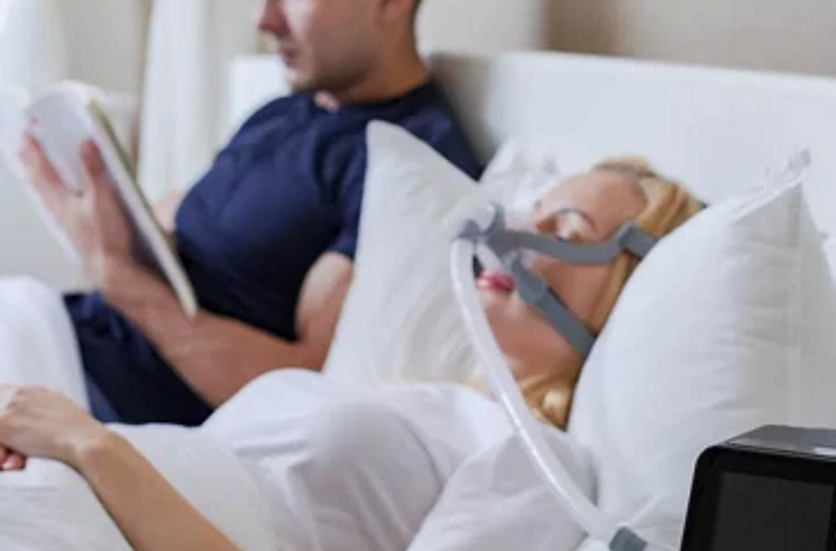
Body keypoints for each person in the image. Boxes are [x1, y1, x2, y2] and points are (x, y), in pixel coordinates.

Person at [0, 161, 702, 551]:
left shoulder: (538, 460)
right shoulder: (409, 397)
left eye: (568, 225)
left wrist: (89, 445)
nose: (523, 228)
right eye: (536, 205)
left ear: (623, 290)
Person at [16, 0, 482, 427]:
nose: (265, 21)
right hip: (66, 335)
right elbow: (177, 220)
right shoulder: (281, 111)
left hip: (117, 399)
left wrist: (118, 278)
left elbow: (306, 383)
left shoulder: (407, 162)